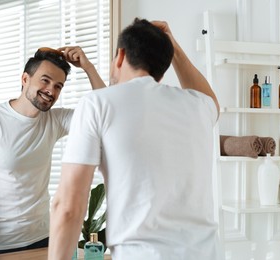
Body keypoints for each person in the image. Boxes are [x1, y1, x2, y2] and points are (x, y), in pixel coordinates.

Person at [48, 18, 222, 260]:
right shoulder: (199, 106)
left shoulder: (97, 104)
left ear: (120, 56)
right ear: (162, 70)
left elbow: (68, 207)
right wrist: (173, 48)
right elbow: (211, 100)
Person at [0, 46, 106, 259]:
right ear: (25, 79)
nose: (51, 90)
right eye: (45, 80)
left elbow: (103, 115)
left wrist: (88, 67)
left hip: (43, 238)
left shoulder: (55, 120)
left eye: (58, 86)